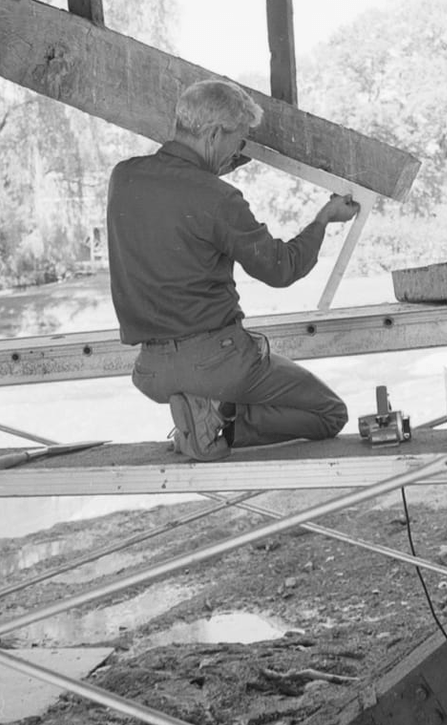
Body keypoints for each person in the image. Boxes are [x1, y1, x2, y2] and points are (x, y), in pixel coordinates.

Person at [106, 79, 360, 462]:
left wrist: (215, 168)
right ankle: (220, 424)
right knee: (329, 413)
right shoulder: (217, 197)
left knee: (224, 382)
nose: (237, 153)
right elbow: (280, 268)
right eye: (238, 142)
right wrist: (324, 219)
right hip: (218, 364)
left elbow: (177, 200)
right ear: (212, 134)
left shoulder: (123, 179)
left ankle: (204, 413)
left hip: (152, 369)